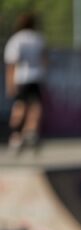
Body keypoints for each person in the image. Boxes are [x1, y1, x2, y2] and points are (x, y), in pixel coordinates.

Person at [3, 12, 46, 153]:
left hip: (21, 78)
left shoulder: (17, 39)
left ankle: (16, 136)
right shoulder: (38, 39)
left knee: (19, 106)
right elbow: (44, 59)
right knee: (35, 106)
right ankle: (30, 131)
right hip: (36, 77)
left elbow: (11, 63)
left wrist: (9, 84)